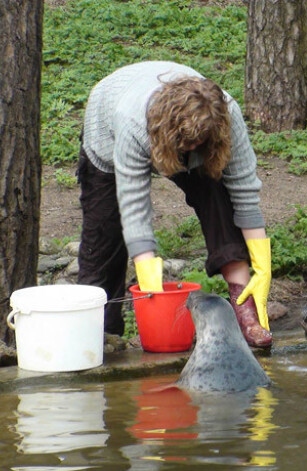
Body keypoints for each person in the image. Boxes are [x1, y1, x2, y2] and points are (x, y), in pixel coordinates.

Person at [77, 61, 272, 348]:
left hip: (187, 130)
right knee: (104, 233)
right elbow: (134, 207)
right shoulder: (133, 124)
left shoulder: (226, 116)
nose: (191, 150)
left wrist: (263, 266)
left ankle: (246, 310)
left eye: (198, 143)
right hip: (109, 131)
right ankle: (100, 336)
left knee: (220, 197)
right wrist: (152, 284)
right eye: (186, 144)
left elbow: (243, 189)